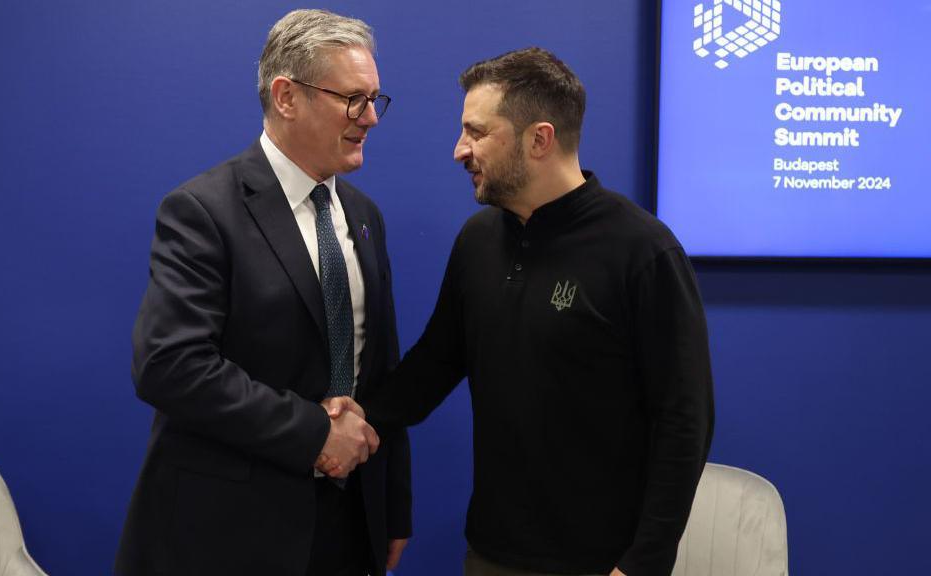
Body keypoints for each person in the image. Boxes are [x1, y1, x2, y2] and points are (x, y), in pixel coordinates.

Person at [360, 48, 714, 576]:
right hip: (490, 554)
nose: (460, 150)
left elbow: (686, 419)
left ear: (539, 139)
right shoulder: (477, 241)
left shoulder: (641, 250)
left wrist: (643, 563)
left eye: (478, 132)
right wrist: (351, 422)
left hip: (601, 563)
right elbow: (433, 366)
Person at [115, 9, 410, 576]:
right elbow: (168, 365)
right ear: (286, 96)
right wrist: (315, 434)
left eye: (375, 99)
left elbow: (381, 369)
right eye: (353, 98)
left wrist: (393, 506)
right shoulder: (203, 211)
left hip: (350, 527)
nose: (370, 117)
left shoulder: (365, 216)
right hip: (231, 532)